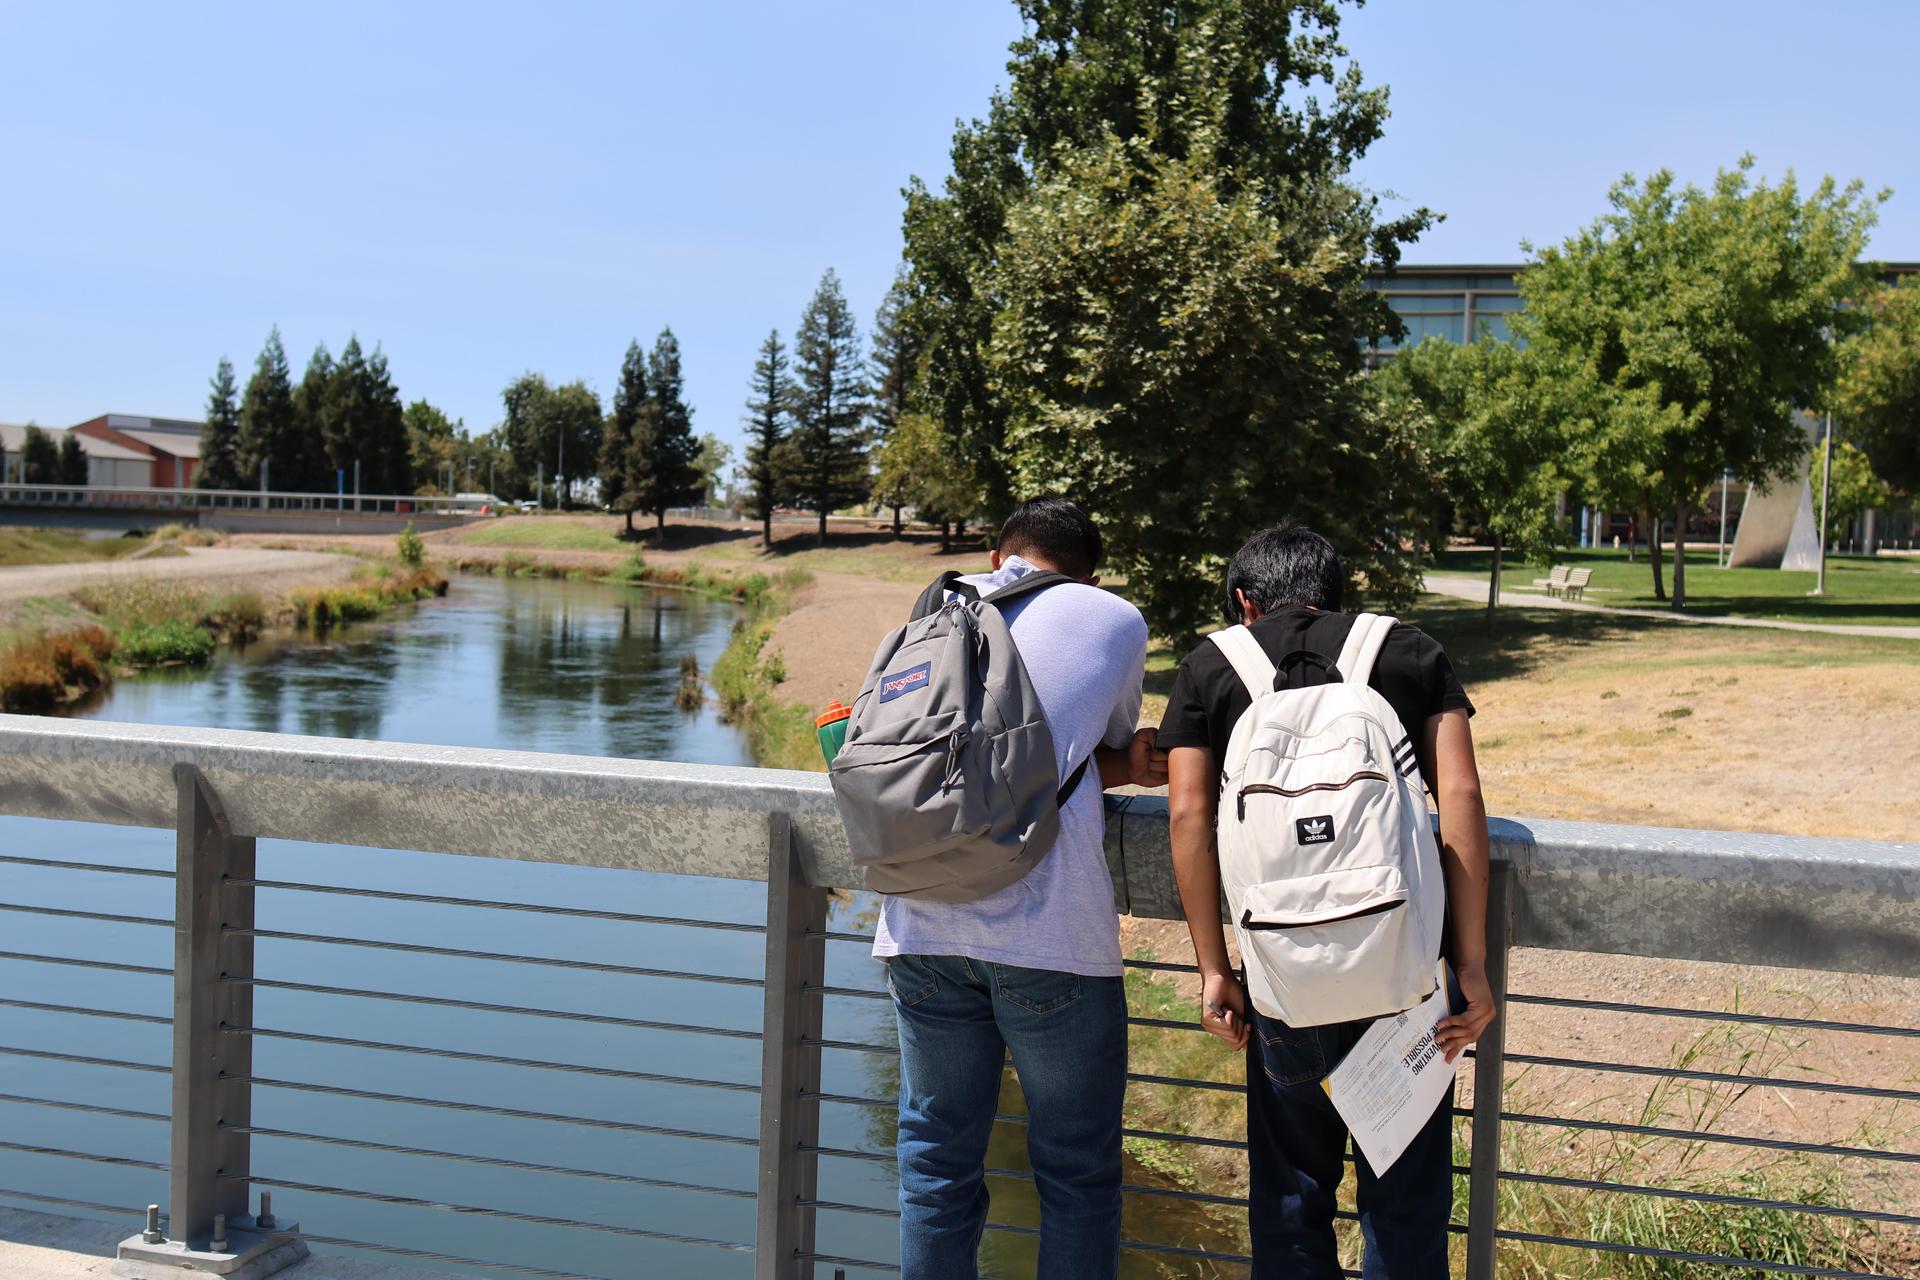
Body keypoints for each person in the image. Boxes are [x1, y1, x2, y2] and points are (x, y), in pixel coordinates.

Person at [1153, 522, 1497, 1280]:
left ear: (1246, 600)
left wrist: (1215, 970)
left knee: (1291, 1202)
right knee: (1404, 1213)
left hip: (1282, 986)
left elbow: (1187, 819)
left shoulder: (1211, 666)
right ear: (1338, 596)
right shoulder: (1406, 652)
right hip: (1404, 984)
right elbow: (1462, 796)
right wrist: (1469, 961)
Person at [873, 495, 1161, 1280]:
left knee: (934, 1165)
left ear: (1001, 555)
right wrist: (1130, 764)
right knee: (1074, 1172)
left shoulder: (940, 604)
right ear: (1089, 573)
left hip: (919, 927)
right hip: (1052, 936)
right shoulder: (1114, 617)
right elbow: (1088, 754)